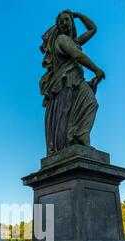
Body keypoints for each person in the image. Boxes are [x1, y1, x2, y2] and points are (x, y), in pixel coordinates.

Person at [40, 10, 105, 155]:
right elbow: (77, 55)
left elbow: (93, 29)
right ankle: (76, 138)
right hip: (66, 82)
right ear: (59, 27)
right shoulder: (62, 39)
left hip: (77, 81)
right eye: (61, 21)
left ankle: (80, 136)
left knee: (91, 103)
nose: (64, 23)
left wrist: (78, 14)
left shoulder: (74, 41)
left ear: (72, 22)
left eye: (67, 20)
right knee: (68, 114)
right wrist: (96, 69)